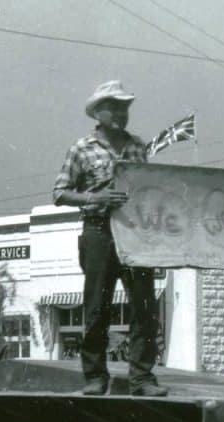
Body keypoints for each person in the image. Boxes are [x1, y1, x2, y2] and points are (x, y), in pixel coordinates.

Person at [53, 80, 168, 397]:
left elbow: (147, 187)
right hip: (99, 231)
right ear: (98, 111)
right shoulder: (81, 149)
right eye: (114, 107)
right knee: (96, 307)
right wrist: (94, 199)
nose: (120, 113)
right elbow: (60, 193)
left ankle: (141, 378)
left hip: (133, 233)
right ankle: (94, 376)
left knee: (144, 306)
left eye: (125, 107)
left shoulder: (137, 146)